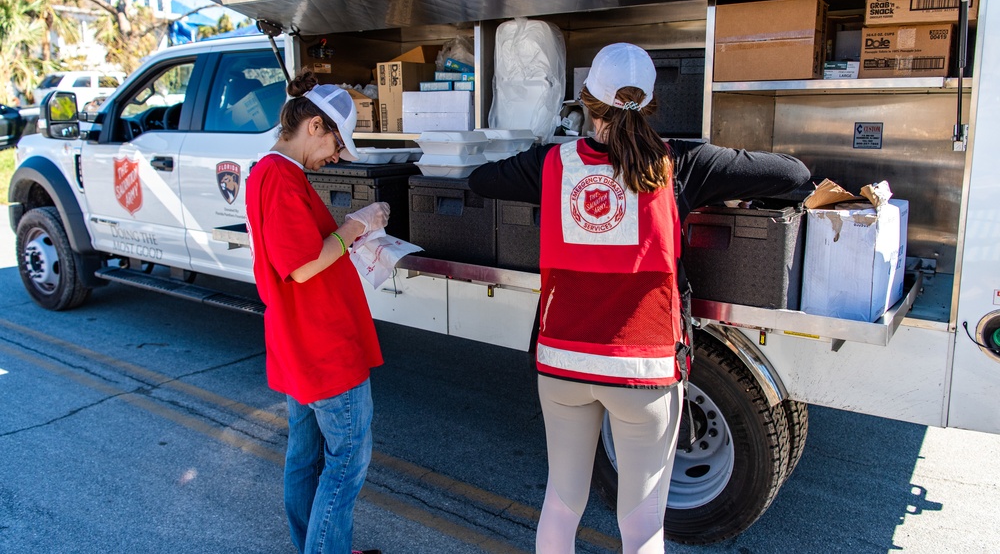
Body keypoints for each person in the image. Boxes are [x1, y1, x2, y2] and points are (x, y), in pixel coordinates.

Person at [468, 43, 811, 554]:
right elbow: (794, 177)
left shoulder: (550, 164)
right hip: (644, 370)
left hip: (562, 361)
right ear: (650, 103)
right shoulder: (684, 164)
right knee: (642, 523)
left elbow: (479, 179)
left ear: (586, 99)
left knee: (562, 505)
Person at [244, 69, 386, 554]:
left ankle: (317, 545)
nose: (337, 157)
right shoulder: (280, 178)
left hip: (297, 342)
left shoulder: (270, 174)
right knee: (346, 462)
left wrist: (349, 234)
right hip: (324, 346)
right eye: (336, 144)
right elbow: (304, 266)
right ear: (315, 127)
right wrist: (356, 225)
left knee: (304, 459)